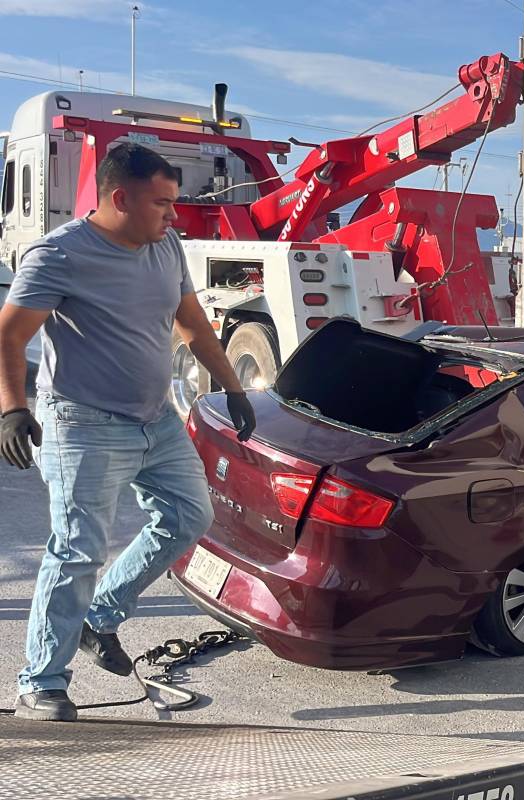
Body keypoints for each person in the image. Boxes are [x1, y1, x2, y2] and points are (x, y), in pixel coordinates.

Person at [0, 143, 256, 721]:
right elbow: (9, 335)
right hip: (83, 422)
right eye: (162, 203)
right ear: (120, 198)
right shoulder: (59, 255)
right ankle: (40, 681)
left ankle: (100, 616)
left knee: (192, 517)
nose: (174, 215)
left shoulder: (165, 246)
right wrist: (12, 408)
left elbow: (192, 324)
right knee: (77, 550)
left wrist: (232, 387)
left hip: (155, 418)